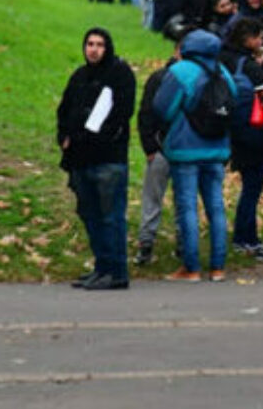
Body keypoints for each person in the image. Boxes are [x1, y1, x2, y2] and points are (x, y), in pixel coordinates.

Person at [153, 29, 236, 283]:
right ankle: (218, 267)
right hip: (217, 148)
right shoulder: (223, 73)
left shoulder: (181, 72)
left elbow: (162, 108)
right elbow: (234, 102)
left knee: (187, 207)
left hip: (185, 148)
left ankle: (191, 268)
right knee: (216, 206)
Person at [57, 28, 136, 290]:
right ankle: (102, 266)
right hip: (80, 158)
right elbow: (65, 109)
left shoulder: (119, 74)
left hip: (107, 157)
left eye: (99, 44)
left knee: (111, 216)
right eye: (89, 44)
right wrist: (65, 137)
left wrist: (95, 139)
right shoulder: (80, 76)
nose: (93, 49)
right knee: (90, 215)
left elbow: (120, 114)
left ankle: (116, 271)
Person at [219, 18, 263, 259]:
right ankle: (246, 237)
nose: (261, 41)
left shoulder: (223, 60)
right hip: (254, 134)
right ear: (248, 39)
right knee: (252, 189)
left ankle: (239, 236)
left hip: (231, 131)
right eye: (258, 37)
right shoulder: (250, 67)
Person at [134, 38, 179, 266]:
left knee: (160, 197)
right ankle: (147, 241)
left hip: (170, 147)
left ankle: (153, 242)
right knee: (158, 197)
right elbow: (145, 113)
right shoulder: (163, 77)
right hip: (166, 146)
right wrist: (150, 146)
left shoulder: (164, 76)